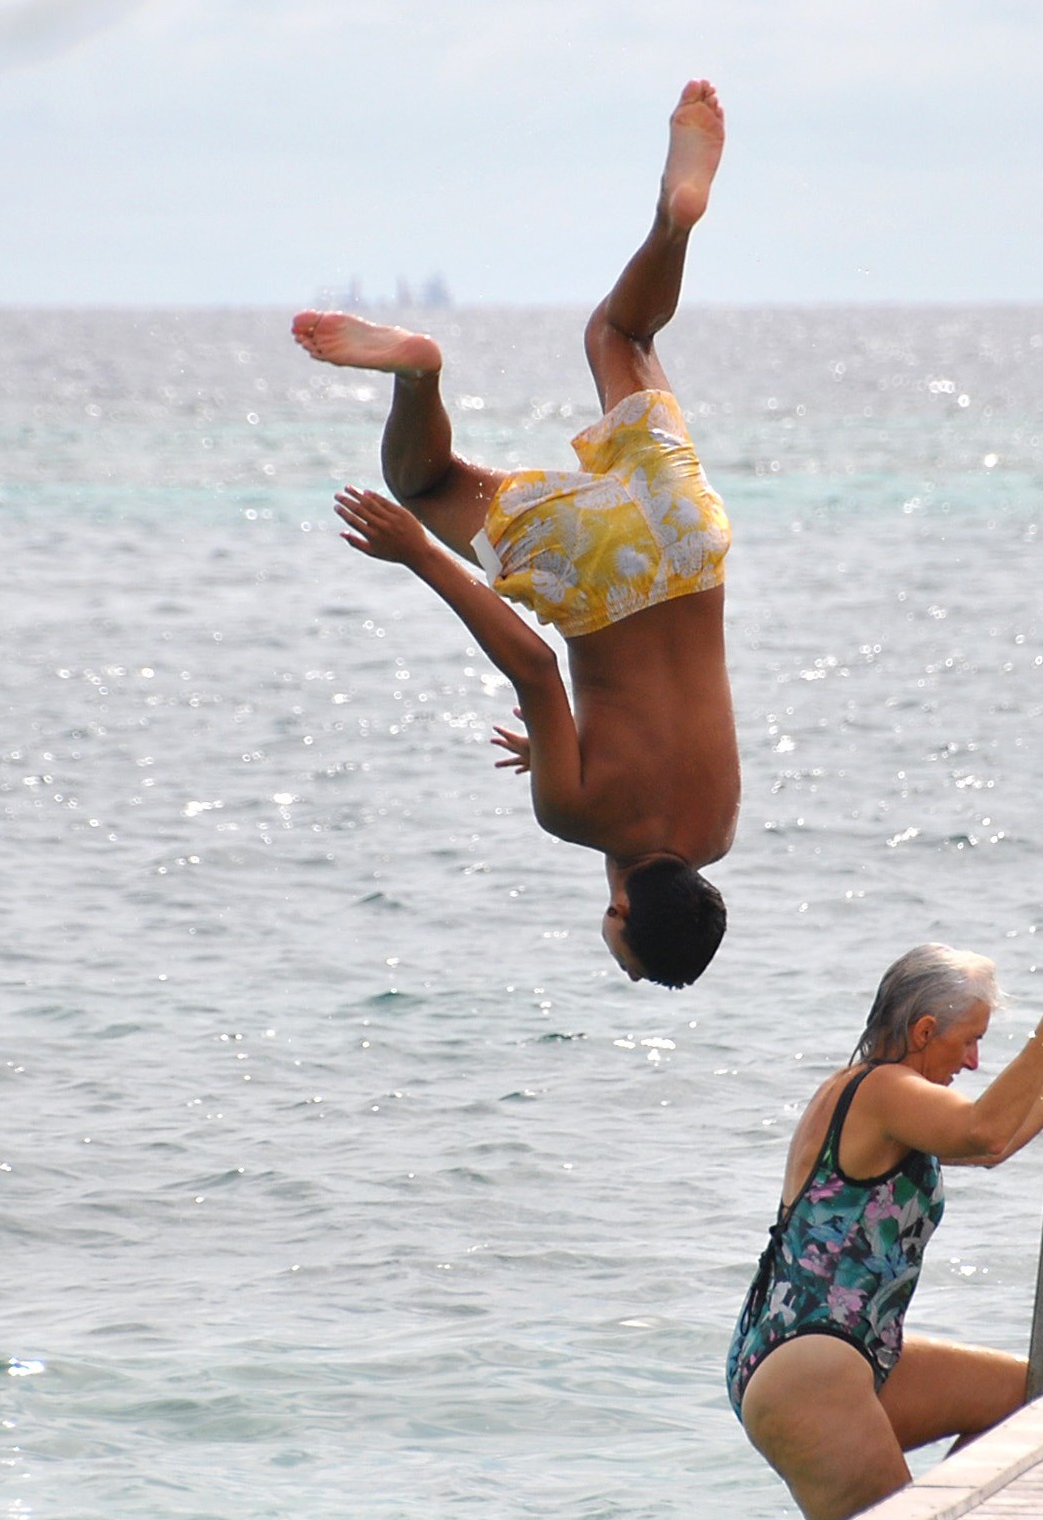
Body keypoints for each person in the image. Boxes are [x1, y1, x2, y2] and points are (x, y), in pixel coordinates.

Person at [290, 80, 736, 988]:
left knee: (621, 332)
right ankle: (420, 374)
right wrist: (417, 553)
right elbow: (534, 668)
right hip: (600, 576)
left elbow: (655, 723)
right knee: (423, 483)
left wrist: (568, 750)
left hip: (691, 548)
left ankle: (675, 220)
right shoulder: (577, 816)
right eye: (612, 932)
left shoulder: (718, 829)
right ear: (621, 909)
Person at [727, 943, 1043, 1520]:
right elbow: (982, 1130)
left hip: (840, 1349)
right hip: (810, 1364)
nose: (975, 1061)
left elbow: (993, 1142)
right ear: (925, 1030)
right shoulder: (883, 1090)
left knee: (1025, 1395)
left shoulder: (881, 1094)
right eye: (969, 1040)